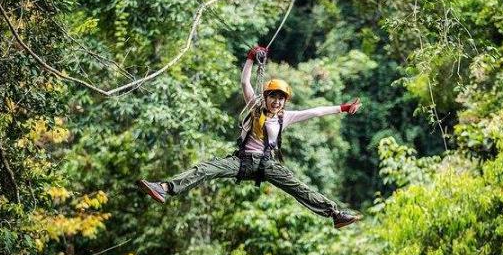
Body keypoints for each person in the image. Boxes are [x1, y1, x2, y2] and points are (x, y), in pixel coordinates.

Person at [137, 46, 363, 228]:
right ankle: (164, 188)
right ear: (266, 97)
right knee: (205, 169)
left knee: (299, 188)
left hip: (267, 164)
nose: (276, 101)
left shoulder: (286, 117)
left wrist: (343, 108)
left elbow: (317, 111)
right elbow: (245, 82)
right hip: (242, 161)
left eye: (280, 99)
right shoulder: (254, 106)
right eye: (273, 97)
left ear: (285, 102)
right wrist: (250, 58)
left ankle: (334, 214)